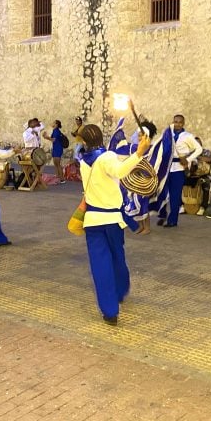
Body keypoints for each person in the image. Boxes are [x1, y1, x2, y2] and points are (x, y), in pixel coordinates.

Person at [79, 123, 151, 325]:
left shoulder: (83, 161)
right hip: (112, 220)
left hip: (92, 220)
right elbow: (120, 171)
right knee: (117, 258)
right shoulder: (107, 156)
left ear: (84, 142)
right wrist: (139, 153)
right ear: (101, 138)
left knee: (100, 265)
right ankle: (120, 290)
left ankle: (110, 311)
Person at [156, 114, 202, 228]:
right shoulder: (167, 134)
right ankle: (162, 215)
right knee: (161, 193)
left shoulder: (187, 136)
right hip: (166, 168)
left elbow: (199, 149)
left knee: (175, 196)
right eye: (175, 121)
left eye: (180, 122)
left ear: (183, 123)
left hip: (179, 169)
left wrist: (188, 159)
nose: (177, 124)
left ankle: (172, 220)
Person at [184, 136, 211, 216]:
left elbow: (209, 159)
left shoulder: (206, 152)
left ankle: (203, 206)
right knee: (180, 182)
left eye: (199, 143)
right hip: (193, 175)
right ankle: (182, 205)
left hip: (204, 174)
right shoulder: (190, 153)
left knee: (206, 183)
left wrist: (197, 156)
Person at [43, 120, 67, 184]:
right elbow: (52, 139)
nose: (52, 123)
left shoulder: (56, 131)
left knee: (58, 163)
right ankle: (57, 177)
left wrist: (46, 137)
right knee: (55, 163)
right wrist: (46, 137)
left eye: (53, 122)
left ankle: (62, 178)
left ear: (56, 124)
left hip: (58, 148)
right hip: (55, 148)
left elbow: (53, 140)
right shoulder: (54, 131)